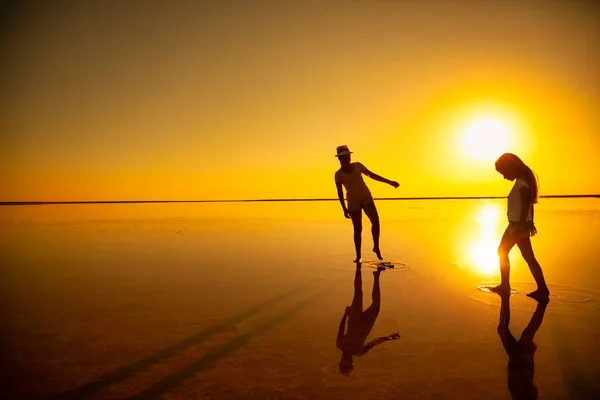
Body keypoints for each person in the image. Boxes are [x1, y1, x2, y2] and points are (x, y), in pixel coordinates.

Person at [491, 153, 549, 300]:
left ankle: (542, 289)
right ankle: (506, 285)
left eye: (504, 173)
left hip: (517, 226)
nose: (504, 177)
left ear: (511, 168)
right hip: (515, 225)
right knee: (504, 251)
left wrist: (522, 226)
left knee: (527, 257)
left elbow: (526, 206)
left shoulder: (522, 184)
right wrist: (531, 222)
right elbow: (530, 205)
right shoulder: (521, 182)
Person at [334, 145, 399, 263]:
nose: (347, 159)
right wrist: (344, 208)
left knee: (375, 220)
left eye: (348, 156)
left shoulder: (358, 165)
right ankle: (358, 256)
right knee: (357, 229)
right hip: (353, 202)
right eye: (344, 157)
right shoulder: (338, 174)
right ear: (340, 159)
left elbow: (372, 175)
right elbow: (339, 192)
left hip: (366, 197)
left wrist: (389, 182)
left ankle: (376, 246)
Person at [337, 264, 400, 376]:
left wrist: (345, 314)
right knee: (376, 304)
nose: (349, 361)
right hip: (366, 324)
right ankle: (376, 276)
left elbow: (341, 328)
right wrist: (389, 337)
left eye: (346, 363)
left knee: (358, 293)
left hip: (354, 320)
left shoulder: (340, 344)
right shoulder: (360, 352)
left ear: (342, 361)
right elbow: (374, 342)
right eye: (350, 363)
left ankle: (358, 269)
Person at [496, 291, 548, 399]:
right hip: (519, 357)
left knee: (508, 330)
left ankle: (505, 299)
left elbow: (529, 379)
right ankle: (542, 303)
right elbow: (528, 378)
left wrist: (530, 357)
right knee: (525, 331)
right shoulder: (520, 395)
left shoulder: (517, 395)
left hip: (516, 357)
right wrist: (529, 357)